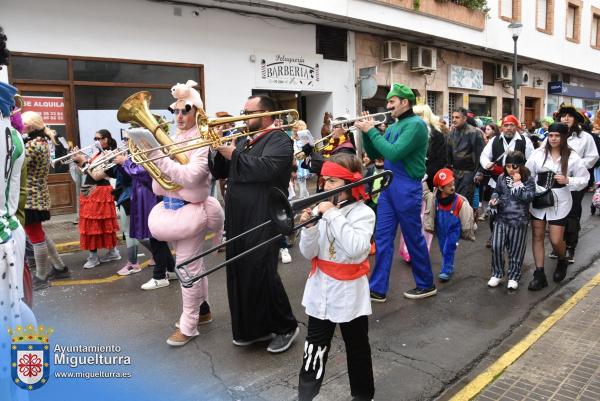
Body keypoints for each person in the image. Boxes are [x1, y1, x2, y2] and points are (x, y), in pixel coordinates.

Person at [209, 94, 299, 353]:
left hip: (264, 213)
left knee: (262, 270)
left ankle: (285, 326)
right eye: (243, 110)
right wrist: (215, 149)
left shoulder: (280, 139)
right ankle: (254, 328)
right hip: (238, 215)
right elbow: (221, 172)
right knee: (241, 269)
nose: (244, 115)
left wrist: (233, 154)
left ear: (267, 114)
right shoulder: (242, 140)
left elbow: (266, 169)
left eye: (249, 112)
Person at [143, 80, 224, 347]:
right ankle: (203, 311)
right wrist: (154, 160)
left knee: (186, 268)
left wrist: (158, 159)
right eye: (175, 111)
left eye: (185, 110)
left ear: (196, 112)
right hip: (172, 211)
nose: (178, 116)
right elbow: (159, 183)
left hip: (192, 211)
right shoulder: (175, 138)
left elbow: (191, 177)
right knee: (193, 266)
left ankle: (189, 326)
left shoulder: (202, 141)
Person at [297, 153, 375, 401]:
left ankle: (363, 396)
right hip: (320, 289)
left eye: (333, 181)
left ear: (349, 183)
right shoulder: (322, 210)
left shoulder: (364, 213)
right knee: (314, 348)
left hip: (350, 293)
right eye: (324, 180)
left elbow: (356, 249)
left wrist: (331, 214)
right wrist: (309, 230)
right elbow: (308, 253)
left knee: (357, 348)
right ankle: (306, 395)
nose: (325, 186)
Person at [354, 83, 435, 301]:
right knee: (382, 238)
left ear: (404, 102)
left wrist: (372, 130)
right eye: (388, 102)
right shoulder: (393, 126)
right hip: (389, 184)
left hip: (407, 185)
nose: (388, 106)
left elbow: (394, 152)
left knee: (412, 237)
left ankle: (426, 283)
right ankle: (378, 288)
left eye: (392, 102)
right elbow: (375, 154)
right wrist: (365, 133)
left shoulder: (416, 125)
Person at [525, 123, 590, 290]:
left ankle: (562, 260)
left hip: (560, 201)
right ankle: (539, 274)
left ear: (564, 137)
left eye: (557, 136)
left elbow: (584, 179)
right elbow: (528, 173)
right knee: (537, 236)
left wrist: (569, 180)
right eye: (551, 135)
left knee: (555, 239)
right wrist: (532, 188)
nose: (553, 138)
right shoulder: (538, 153)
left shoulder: (572, 157)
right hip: (539, 199)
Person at [113, 138, 177, 289]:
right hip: (143, 196)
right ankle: (171, 270)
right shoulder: (144, 152)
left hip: (150, 197)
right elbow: (131, 175)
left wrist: (126, 162)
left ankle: (160, 276)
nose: (131, 142)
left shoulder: (155, 152)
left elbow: (144, 173)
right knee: (156, 238)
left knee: (156, 237)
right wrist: (122, 163)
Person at [21, 111, 71, 288]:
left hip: (30, 197)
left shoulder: (33, 144)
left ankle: (41, 277)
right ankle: (60, 267)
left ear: (30, 127)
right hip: (36, 196)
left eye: (22, 124)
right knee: (39, 234)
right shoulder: (39, 141)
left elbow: (16, 164)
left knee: (35, 237)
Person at [551, 104, 599, 264]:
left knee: (572, 214)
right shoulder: (555, 135)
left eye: (569, 116)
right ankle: (559, 243)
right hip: (556, 181)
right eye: (563, 115)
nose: (566, 118)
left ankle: (570, 246)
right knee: (557, 212)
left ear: (576, 119)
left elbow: (592, 157)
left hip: (576, 181)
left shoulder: (585, 137)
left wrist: (575, 166)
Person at [73, 129, 121, 268]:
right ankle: (113, 252)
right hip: (90, 191)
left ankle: (94, 257)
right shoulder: (96, 153)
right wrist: (78, 160)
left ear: (106, 139)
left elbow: (96, 175)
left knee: (96, 226)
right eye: (94, 138)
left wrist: (84, 163)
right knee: (96, 225)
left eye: (98, 138)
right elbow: (84, 171)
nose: (95, 141)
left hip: (99, 191)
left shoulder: (111, 154)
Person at [487, 151, 535, 290]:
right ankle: (497, 273)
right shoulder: (502, 177)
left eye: (514, 166)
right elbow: (497, 191)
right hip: (501, 219)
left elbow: (529, 197)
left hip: (519, 221)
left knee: (516, 251)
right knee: (496, 247)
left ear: (521, 166)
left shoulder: (529, 180)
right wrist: (493, 199)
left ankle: (514, 276)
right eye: (508, 166)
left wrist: (518, 183)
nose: (511, 169)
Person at [423, 168, 474, 282]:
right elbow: (425, 193)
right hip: (441, 230)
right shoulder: (434, 199)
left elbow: (467, 216)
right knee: (443, 248)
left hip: (454, 229)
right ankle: (449, 265)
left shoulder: (459, 201)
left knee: (448, 248)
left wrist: (470, 227)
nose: (452, 187)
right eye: (448, 185)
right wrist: (422, 180)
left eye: (453, 184)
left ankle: (446, 270)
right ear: (440, 188)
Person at [447, 107, 484, 204]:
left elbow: (481, 154)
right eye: (453, 117)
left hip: (469, 172)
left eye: (457, 117)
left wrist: (480, 172)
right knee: (454, 201)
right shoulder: (451, 133)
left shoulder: (474, 133)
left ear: (464, 118)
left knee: (464, 202)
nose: (454, 120)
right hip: (454, 172)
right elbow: (448, 153)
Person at [413, 104, 447, 191]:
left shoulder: (436, 135)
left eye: (419, 115)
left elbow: (440, 160)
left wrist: (424, 175)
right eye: (414, 115)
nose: (415, 118)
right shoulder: (413, 132)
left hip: (428, 180)